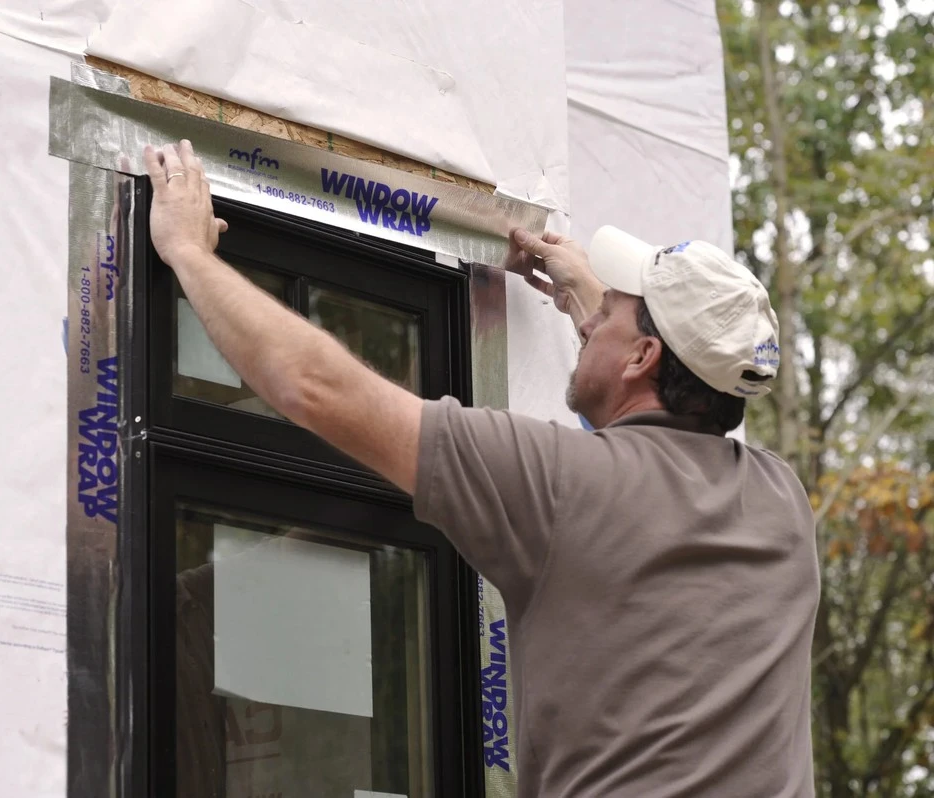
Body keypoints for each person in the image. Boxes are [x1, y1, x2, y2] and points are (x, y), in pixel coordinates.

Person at [143, 141, 819, 797]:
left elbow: (317, 389)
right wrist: (591, 303)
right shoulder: (781, 505)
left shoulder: (550, 483)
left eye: (608, 316)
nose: (590, 325)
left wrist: (190, 255)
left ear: (640, 357)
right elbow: (645, 429)